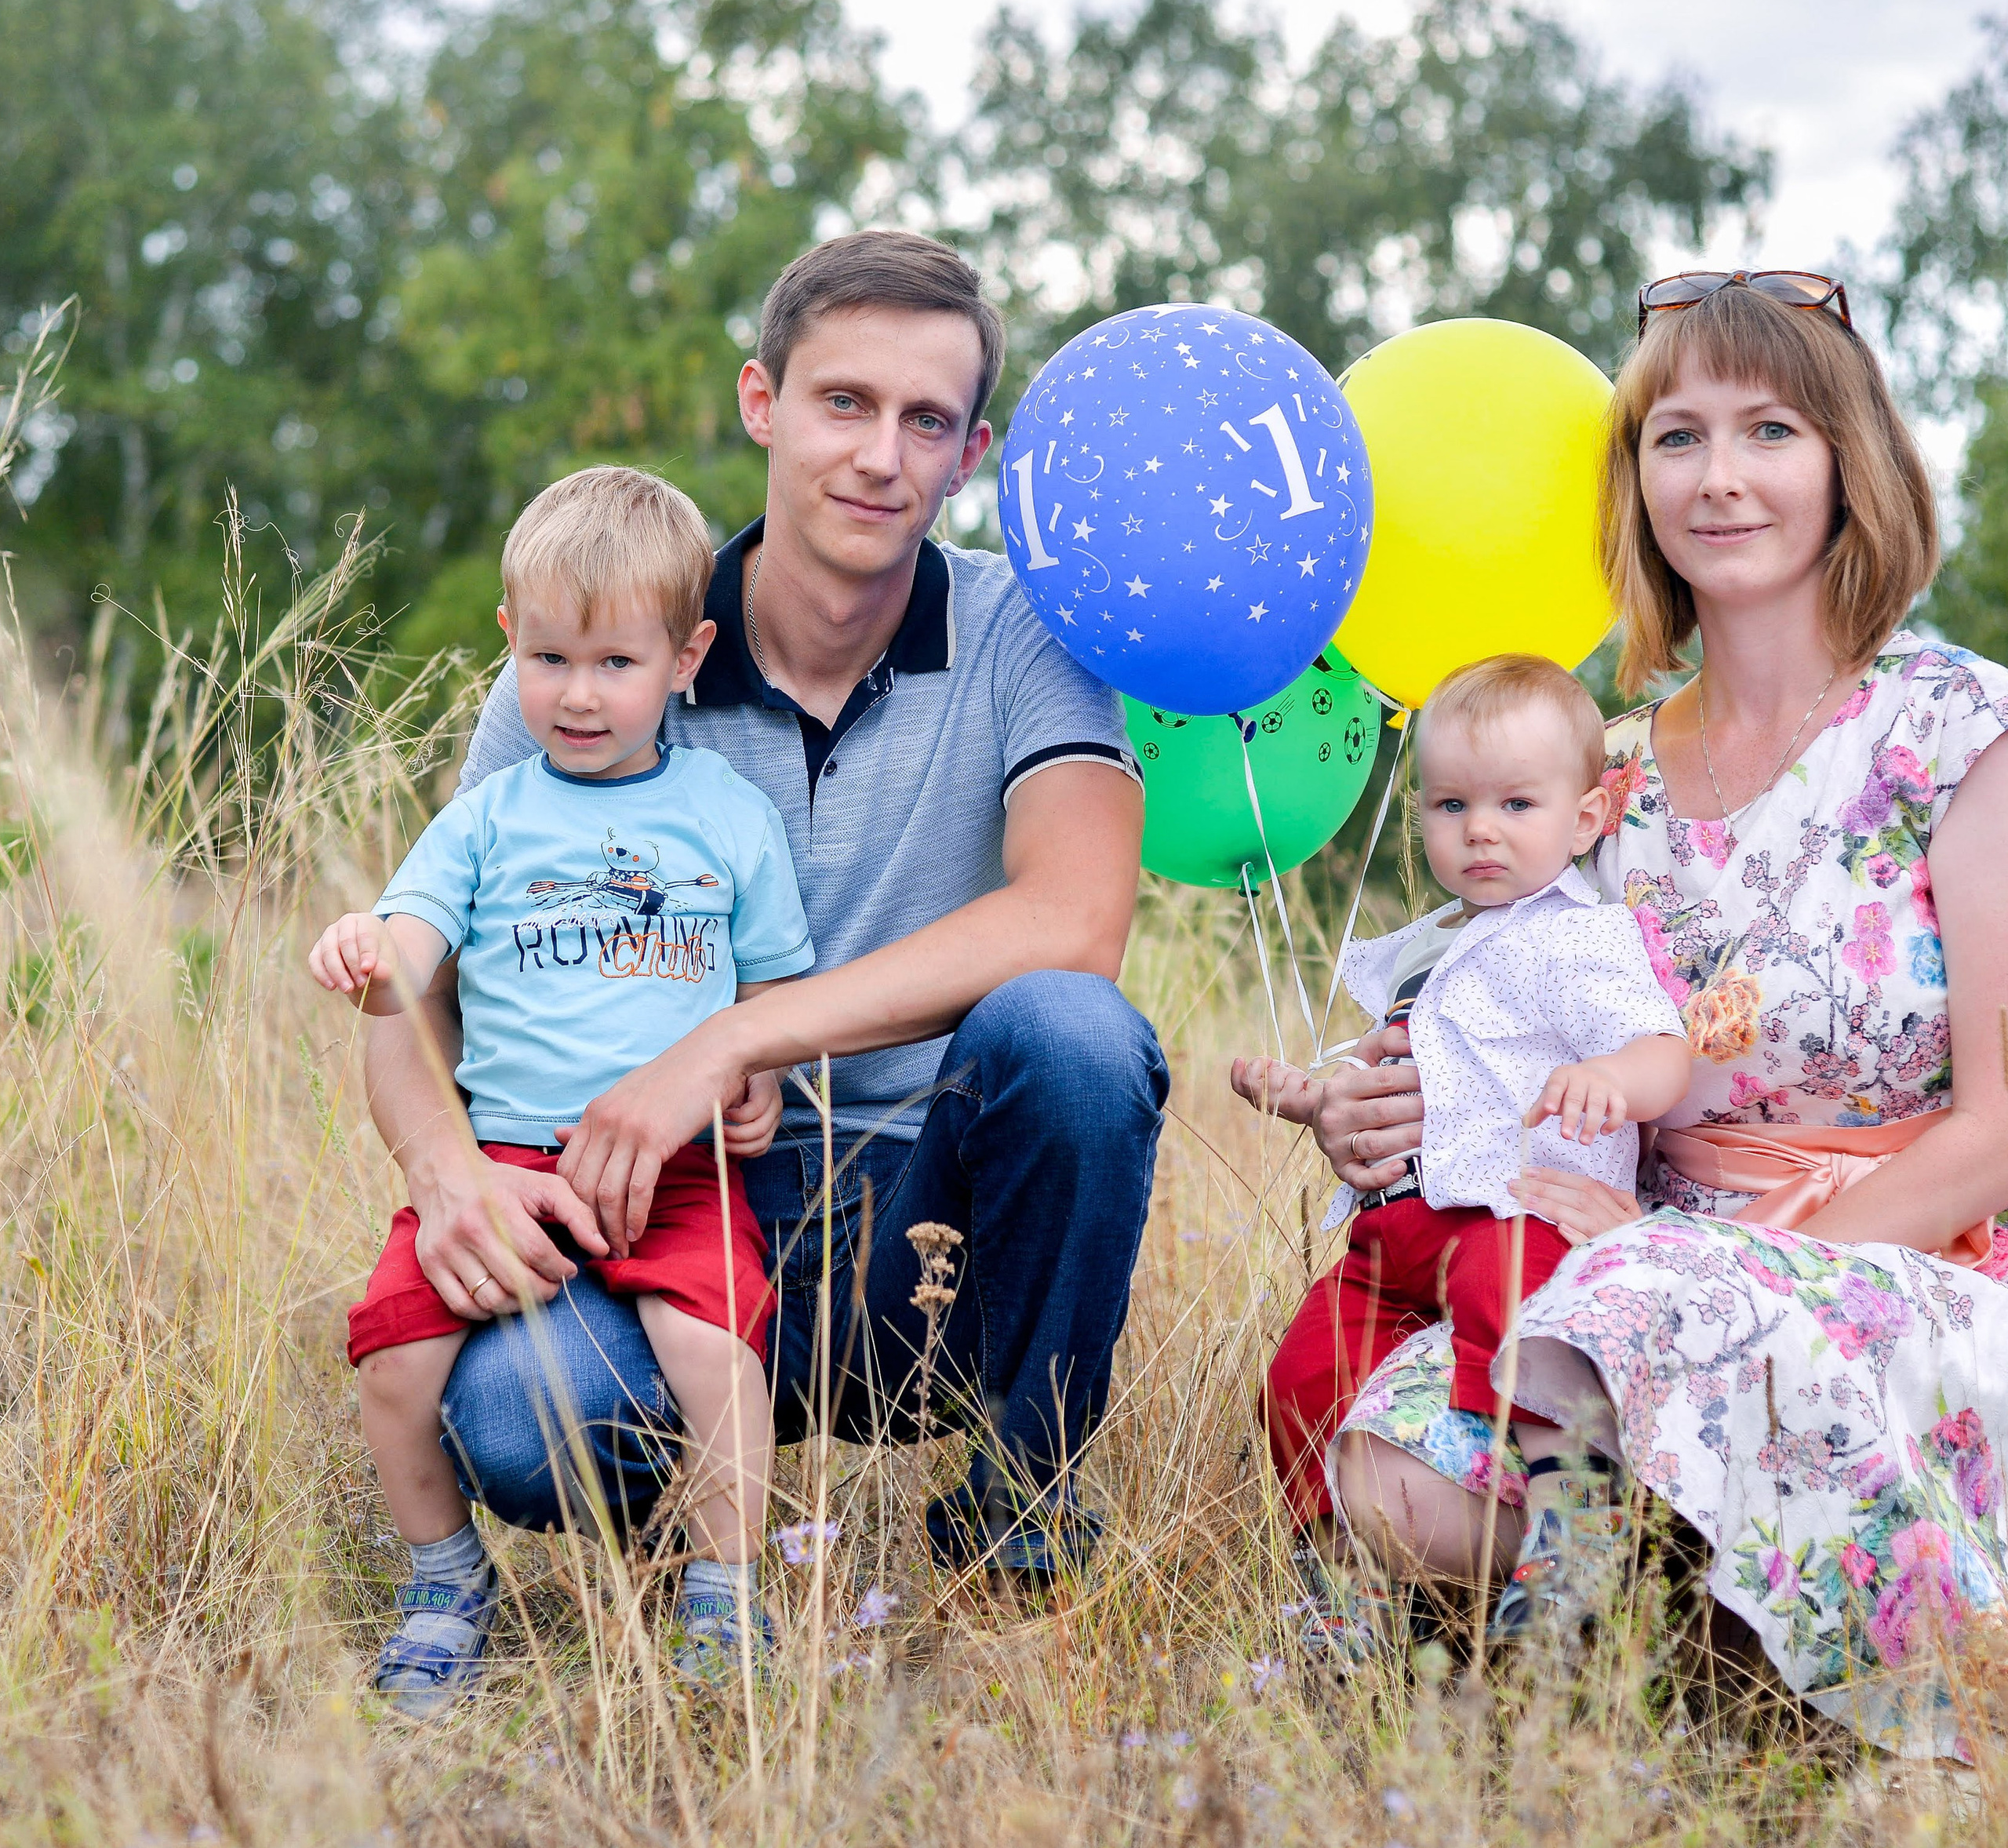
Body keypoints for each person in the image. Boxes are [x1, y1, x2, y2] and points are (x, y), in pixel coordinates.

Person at [1238, 269, 2008, 1753]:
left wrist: (1724, 1283)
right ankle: (1678, 1644)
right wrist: (1380, 1111)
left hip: (1902, 1264)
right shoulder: (1605, 774)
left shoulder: (1958, 730)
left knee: (1626, 1330)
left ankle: (1769, 1658)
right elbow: (1511, 1021)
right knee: (1388, 1473)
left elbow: (2000, 1128)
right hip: (1607, 1280)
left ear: (1852, 461)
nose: (1720, 478)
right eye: (1677, 436)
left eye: (1770, 430)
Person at [358, 230, 1167, 1588]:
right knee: (515, 1424)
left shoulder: (1028, 627)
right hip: (649, 1204)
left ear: (971, 457)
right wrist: (444, 1180)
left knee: (1077, 1038)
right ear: (762, 403)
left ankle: (1019, 1522)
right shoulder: (601, 651)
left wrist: (732, 1041)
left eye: (927, 422)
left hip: (921, 1209)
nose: (879, 456)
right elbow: (416, 978)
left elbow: (1076, 919)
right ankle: (695, 1519)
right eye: (843, 402)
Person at [314, 467, 812, 1711]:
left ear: (687, 657)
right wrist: (371, 961)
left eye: (615, 663)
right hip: (507, 1163)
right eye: (548, 658)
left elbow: (774, 1001)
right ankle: (442, 1583)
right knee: (394, 1371)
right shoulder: (488, 819)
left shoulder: (726, 815)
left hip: (680, 1169)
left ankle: (725, 1594)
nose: (578, 695)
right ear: (509, 646)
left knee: (718, 1360)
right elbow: (413, 952)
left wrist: (755, 1077)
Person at [1240, 653, 1688, 1653]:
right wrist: (1306, 1092)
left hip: (1513, 1210)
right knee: (1305, 1367)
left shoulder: (1576, 938)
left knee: (1522, 1329)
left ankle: (1577, 1524)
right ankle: (1338, 1580)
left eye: (1515, 803)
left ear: (1582, 821)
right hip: (1392, 1233)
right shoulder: (1426, 944)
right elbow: (1380, 1063)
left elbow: (1665, 1048)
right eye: (1449, 805)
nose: (1479, 829)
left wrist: (1616, 1080)